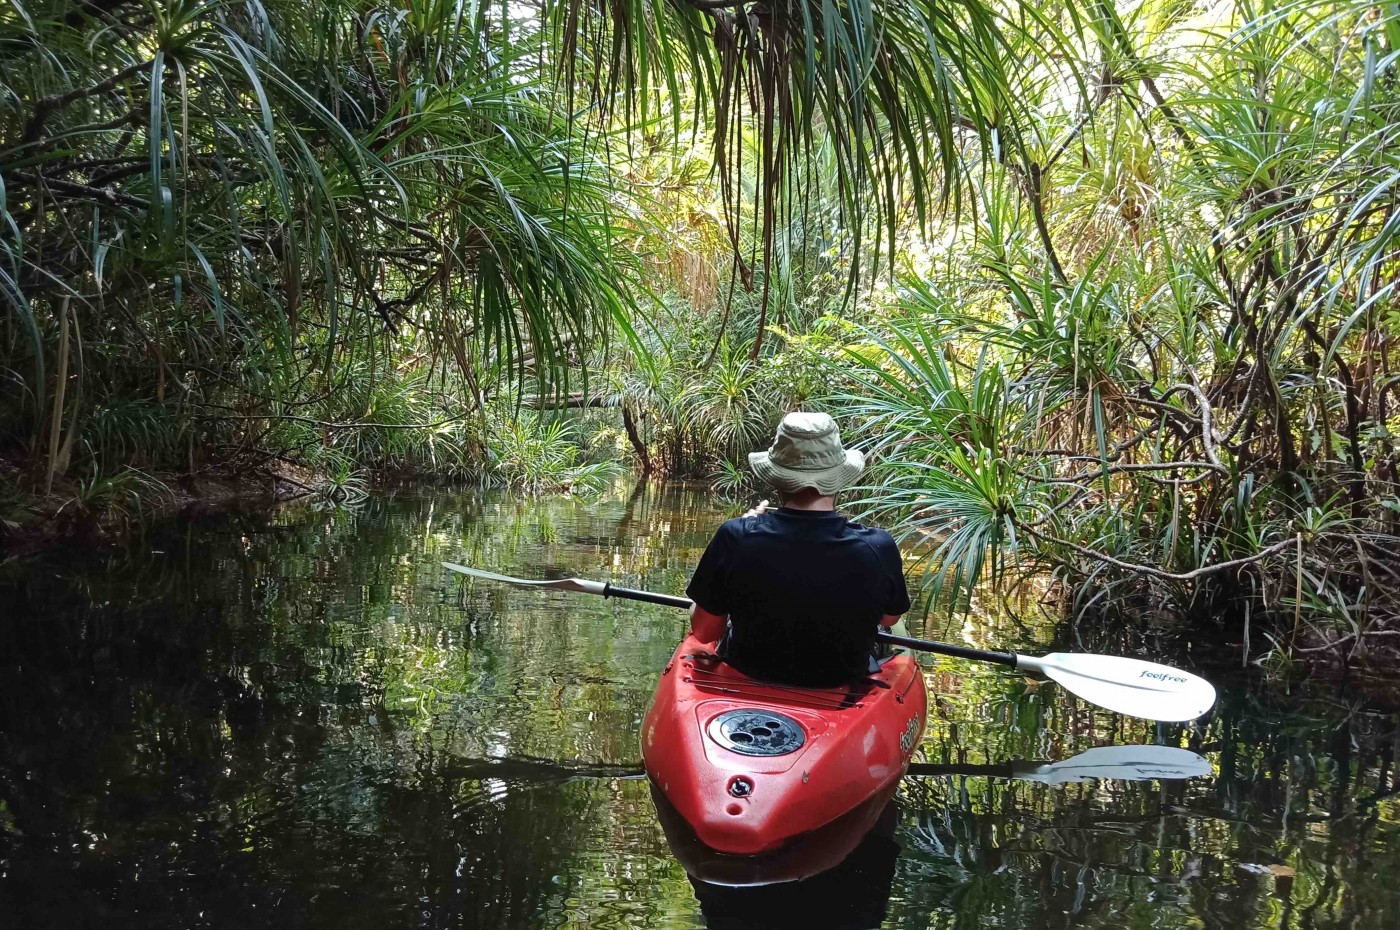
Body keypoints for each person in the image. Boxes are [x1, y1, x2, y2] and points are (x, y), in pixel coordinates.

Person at [686, 411, 911, 687]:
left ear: (777, 477)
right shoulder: (878, 546)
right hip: (840, 681)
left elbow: (705, 632)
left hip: (750, 673)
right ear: (839, 477)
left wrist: (742, 533)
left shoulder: (735, 536)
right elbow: (890, 617)